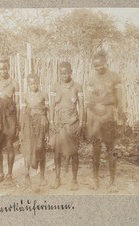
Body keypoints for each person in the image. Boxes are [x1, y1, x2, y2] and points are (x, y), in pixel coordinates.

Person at [85, 50, 126, 192]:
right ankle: (95, 180)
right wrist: (94, 112)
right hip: (96, 120)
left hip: (110, 118)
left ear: (105, 62)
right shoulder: (91, 79)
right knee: (95, 150)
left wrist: (120, 116)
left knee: (111, 150)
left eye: (100, 65)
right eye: (95, 66)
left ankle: (112, 181)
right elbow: (89, 101)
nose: (98, 68)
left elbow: (119, 99)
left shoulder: (115, 77)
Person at [50, 61, 84, 191]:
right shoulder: (55, 87)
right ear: (59, 73)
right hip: (59, 125)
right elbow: (52, 105)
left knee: (74, 152)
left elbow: (81, 105)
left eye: (67, 72)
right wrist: (52, 122)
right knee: (57, 152)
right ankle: (57, 178)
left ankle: (74, 180)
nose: (64, 75)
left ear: (71, 72)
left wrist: (81, 123)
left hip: (72, 124)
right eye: (62, 73)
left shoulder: (77, 87)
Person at [0, 56, 20, 184]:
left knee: (9, 145)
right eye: (1, 69)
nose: (3, 71)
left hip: (9, 118)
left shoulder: (14, 84)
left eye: (5, 68)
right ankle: (1, 173)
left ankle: (9, 174)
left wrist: (17, 123)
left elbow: (17, 104)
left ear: (9, 68)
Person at [20, 74, 49, 186]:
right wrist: (21, 128)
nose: (34, 85)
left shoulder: (43, 95)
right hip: (28, 125)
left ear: (39, 82)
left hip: (41, 124)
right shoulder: (25, 96)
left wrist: (48, 126)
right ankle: (27, 175)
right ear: (28, 84)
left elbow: (47, 111)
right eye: (31, 83)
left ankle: (42, 176)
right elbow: (23, 112)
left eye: (36, 82)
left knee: (40, 148)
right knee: (28, 149)